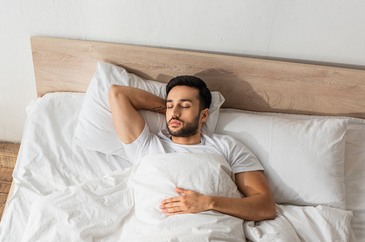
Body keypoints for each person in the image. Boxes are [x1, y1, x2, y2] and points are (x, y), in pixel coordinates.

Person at [108, 76, 276, 221]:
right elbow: (118, 93)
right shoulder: (146, 145)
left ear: (204, 115)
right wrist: (172, 109)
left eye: (185, 106)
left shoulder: (228, 147)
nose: (174, 112)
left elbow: (265, 206)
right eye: (170, 105)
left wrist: (208, 202)